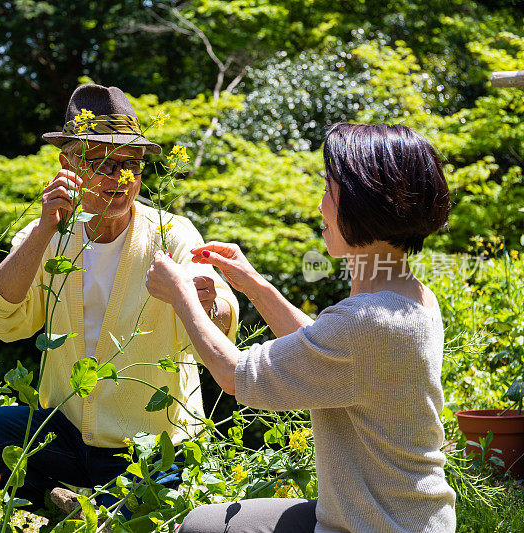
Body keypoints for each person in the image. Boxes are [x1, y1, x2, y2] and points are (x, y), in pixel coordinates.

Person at [146, 123, 456, 533]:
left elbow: (232, 374)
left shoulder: (366, 322)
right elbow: (326, 348)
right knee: (204, 523)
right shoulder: (411, 297)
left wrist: (180, 294)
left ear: (365, 201)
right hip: (401, 514)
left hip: (372, 525)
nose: (320, 205)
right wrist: (254, 285)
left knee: (197, 528)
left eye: (329, 189)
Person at [0, 84, 240, 510]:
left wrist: (208, 303)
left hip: (151, 446)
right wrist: (45, 227)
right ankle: (52, 504)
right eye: (99, 163)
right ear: (67, 165)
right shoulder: (47, 235)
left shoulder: (171, 233)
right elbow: (1, 319)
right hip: (63, 431)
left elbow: (220, 323)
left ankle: (96, 512)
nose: (117, 178)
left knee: (148, 512)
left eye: (129, 165)